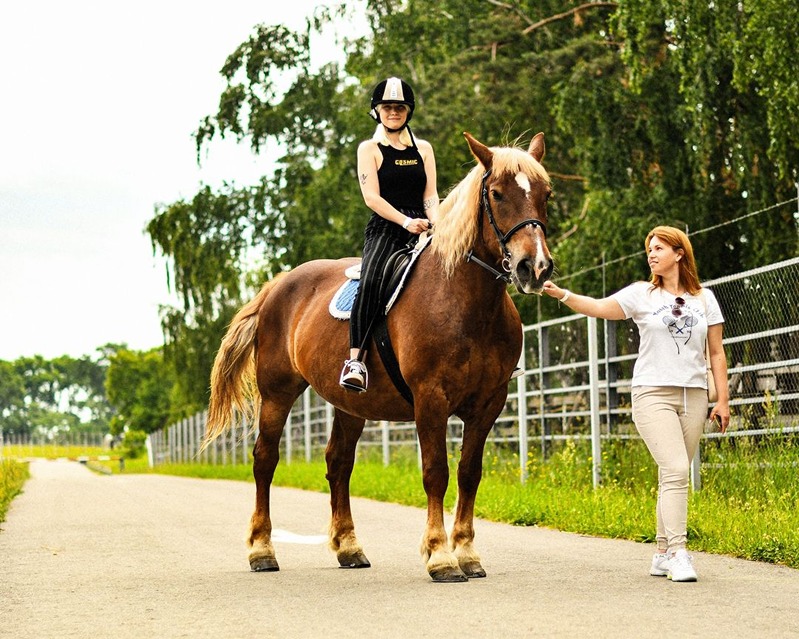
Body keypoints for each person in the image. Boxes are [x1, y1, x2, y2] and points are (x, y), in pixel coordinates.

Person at [542, 225, 730, 582]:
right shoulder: (642, 294)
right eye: (649, 249)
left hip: (694, 395)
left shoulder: (704, 299)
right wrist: (562, 294)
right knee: (676, 470)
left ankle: (660, 553)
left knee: (671, 474)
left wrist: (722, 400)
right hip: (652, 393)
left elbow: (717, 353)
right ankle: (678, 552)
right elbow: (599, 308)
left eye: (659, 248)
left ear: (679, 253)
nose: (652, 254)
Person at [339, 77, 439, 392]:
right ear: (378, 111)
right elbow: (371, 198)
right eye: (387, 107)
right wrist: (405, 222)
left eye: (399, 107)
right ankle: (356, 360)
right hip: (387, 226)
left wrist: (436, 223)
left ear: (408, 111)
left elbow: (431, 195)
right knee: (370, 280)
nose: (393, 112)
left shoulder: (423, 149)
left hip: (424, 225)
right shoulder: (369, 149)